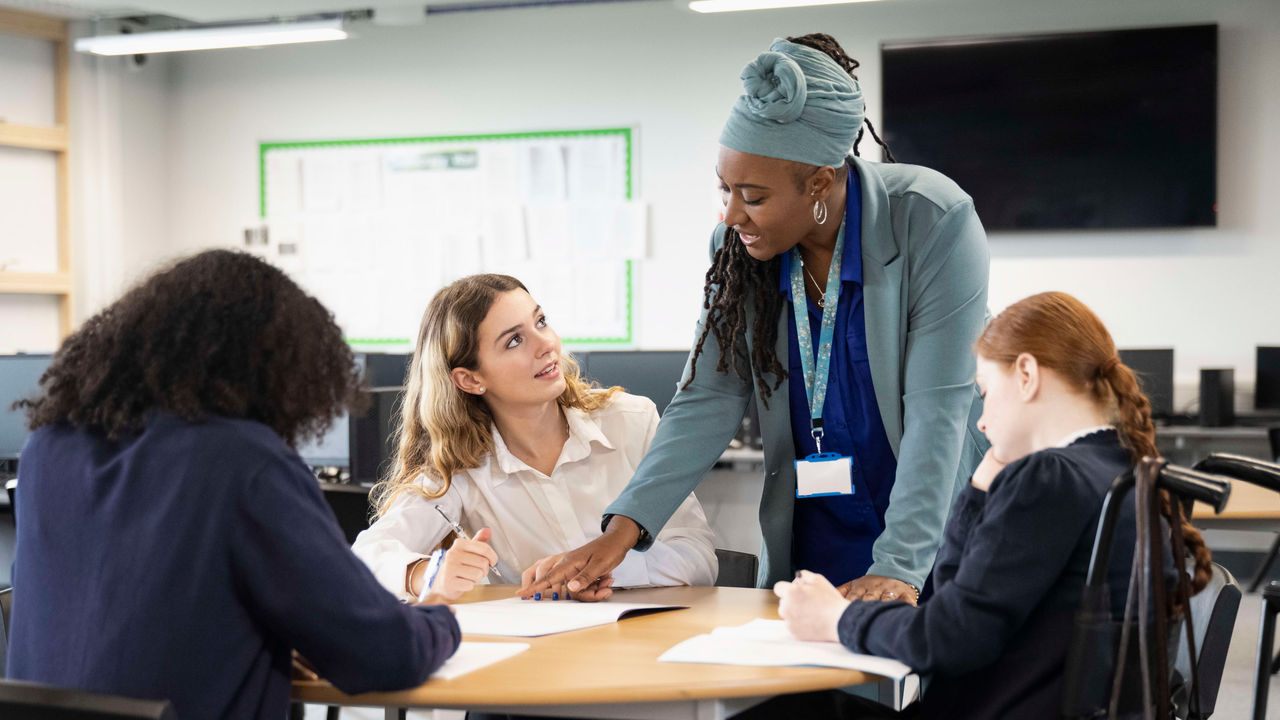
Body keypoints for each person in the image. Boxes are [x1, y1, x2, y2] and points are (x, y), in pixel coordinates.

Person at [521, 33, 989, 603]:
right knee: (811, 687)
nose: (731, 213)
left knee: (938, 682)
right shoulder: (739, 248)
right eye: (725, 189)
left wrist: (900, 567)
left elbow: (939, 409)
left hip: (930, 526)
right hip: (818, 523)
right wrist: (623, 531)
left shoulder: (932, 218)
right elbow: (707, 397)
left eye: (753, 196)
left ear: (819, 181)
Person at [6, 250, 460, 720]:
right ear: (278, 370)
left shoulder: (47, 450)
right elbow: (384, 654)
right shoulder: (244, 463)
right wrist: (440, 616)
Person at [769, 291, 1213, 719]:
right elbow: (953, 609)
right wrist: (978, 492)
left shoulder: (1051, 478)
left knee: (780, 709)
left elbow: (945, 639)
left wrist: (838, 618)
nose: (980, 421)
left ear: (1026, 374)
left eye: (983, 392)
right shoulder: (1125, 470)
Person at [353, 273, 716, 603]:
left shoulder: (631, 421)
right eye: (514, 341)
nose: (546, 344)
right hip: (535, 656)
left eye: (540, 321)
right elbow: (367, 555)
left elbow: (699, 557)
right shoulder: (460, 466)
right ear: (470, 379)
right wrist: (426, 574)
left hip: (645, 644)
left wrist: (604, 566)